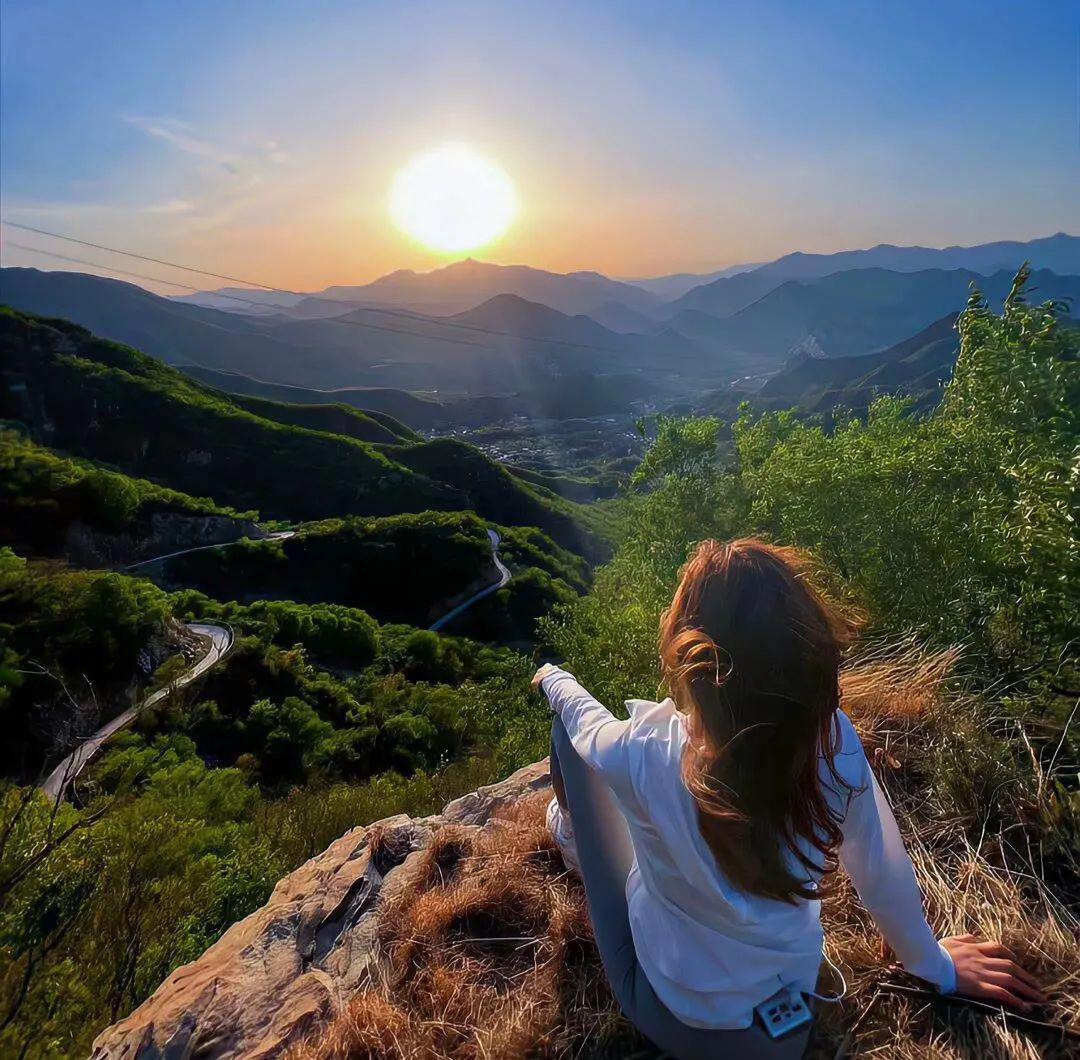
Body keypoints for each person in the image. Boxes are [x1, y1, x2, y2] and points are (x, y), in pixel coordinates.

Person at [534, 537, 1044, 1059]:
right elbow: (882, 870)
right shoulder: (832, 747)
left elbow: (584, 722)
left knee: (567, 742)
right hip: (787, 1016)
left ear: (695, 663)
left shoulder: (641, 749)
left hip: (679, 1019)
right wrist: (933, 964)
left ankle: (568, 834)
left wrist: (554, 678)